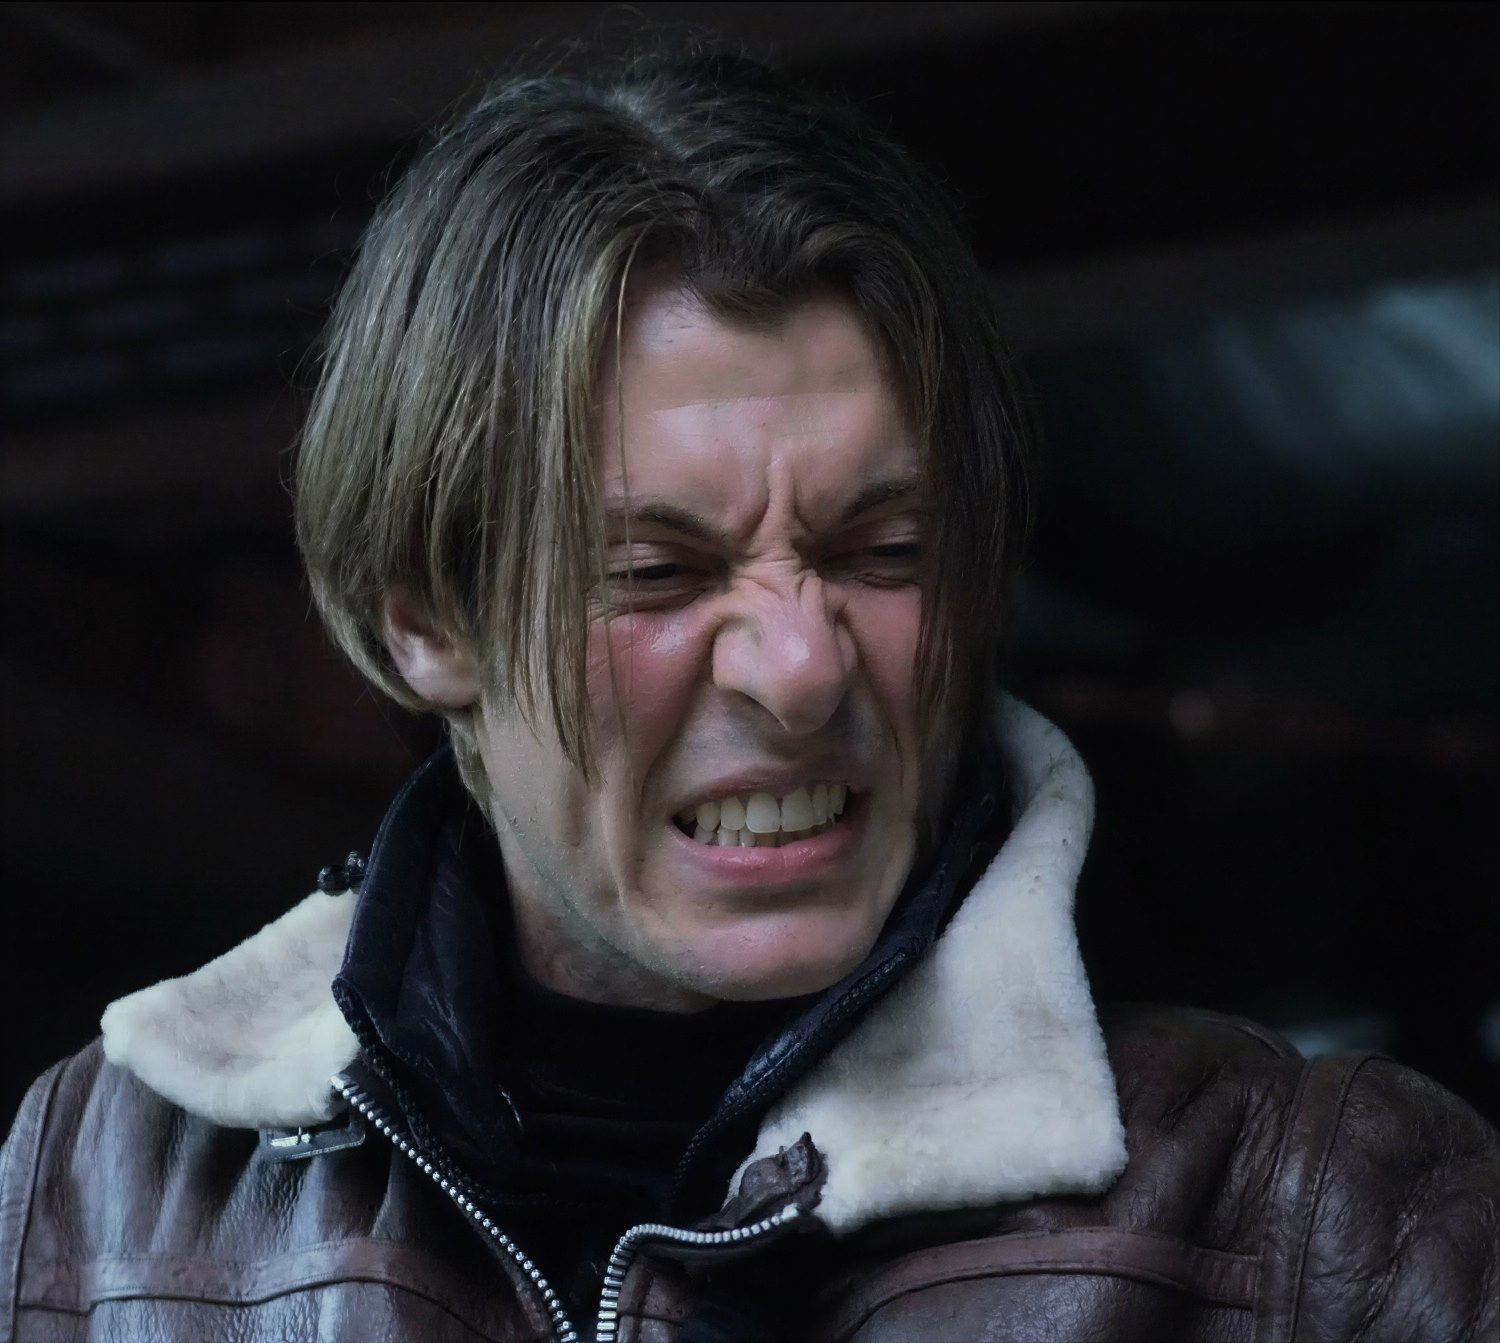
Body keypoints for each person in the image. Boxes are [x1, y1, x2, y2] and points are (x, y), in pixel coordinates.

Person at [2, 45, 1495, 1343]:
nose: (802, 667)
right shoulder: (85, 1204)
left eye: (884, 551)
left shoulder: (1322, 1226)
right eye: (656, 572)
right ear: (424, 622)